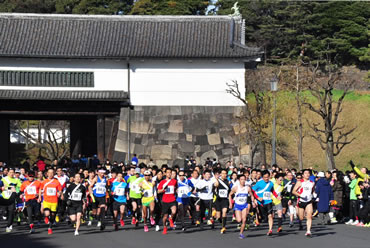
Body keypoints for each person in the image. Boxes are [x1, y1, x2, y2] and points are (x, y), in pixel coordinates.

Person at [252, 170, 280, 236]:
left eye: (267, 177)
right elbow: (252, 191)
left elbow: (272, 191)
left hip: (269, 201)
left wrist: (277, 196)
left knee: (270, 216)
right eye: (265, 177)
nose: (266, 179)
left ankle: (270, 230)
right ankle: (257, 218)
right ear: (262, 177)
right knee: (263, 217)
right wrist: (257, 198)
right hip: (261, 203)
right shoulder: (259, 183)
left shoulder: (271, 183)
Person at [229, 174, 255, 239]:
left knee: (244, 220)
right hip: (237, 205)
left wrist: (253, 202)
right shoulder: (236, 188)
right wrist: (230, 203)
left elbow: (252, 195)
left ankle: (241, 233)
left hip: (244, 205)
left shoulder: (248, 188)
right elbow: (229, 195)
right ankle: (242, 221)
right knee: (239, 220)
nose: (243, 181)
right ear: (239, 180)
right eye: (241, 179)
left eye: (244, 179)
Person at [39, 168, 63, 235]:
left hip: (54, 201)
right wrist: (39, 197)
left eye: (52, 173)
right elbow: (40, 189)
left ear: (54, 174)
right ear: (47, 174)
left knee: (53, 216)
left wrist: (59, 193)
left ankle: (50, 227)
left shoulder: (57, 182)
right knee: (47, 213)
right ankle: (46, 217)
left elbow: (60, 190)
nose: (50, 174)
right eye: (49, 173)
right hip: (46, 200)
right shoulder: (44, 182)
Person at [293, 169, 315, 237]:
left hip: (309, 201)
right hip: (301, 201)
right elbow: (293, 191)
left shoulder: (312, 183)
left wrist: (314, 195)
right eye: (305, 173)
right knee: (301, 217)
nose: (307, 174)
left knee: (310, 215)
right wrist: (300, 195)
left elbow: (312, 191)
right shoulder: (300, 182)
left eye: (308, 173)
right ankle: (302, 221)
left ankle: (308, 231)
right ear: (303, 175)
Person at [1, 168, 22, 232]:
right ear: (7, 173)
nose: (12, 173)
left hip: (12, 199)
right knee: (5, 212)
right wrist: (3, 188)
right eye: (10, 172)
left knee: (11, 212)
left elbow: (20, 187)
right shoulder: (4, 179)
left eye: (13, 172)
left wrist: (19, 193)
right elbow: (1, 187)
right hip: (4, 198)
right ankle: (4, 214)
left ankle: (8, 225)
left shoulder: (17, 180)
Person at [157, 168, 177, 235]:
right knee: (165, 217)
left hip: (172, 199)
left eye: (170, 172)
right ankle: (165, 227)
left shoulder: (174, 181)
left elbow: (176, 188)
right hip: (165, 201)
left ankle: (171, 218)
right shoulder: (162, 182)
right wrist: (163, 189)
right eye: (167, 172)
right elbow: (158, 191)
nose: (169, 174)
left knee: (174, 211)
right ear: (165, 173)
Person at [215, 169, 230, 234]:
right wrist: (216, 179)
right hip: (218, 200)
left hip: (225, 200)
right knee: (218, 216)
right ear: (220, 174)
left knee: (224, 212)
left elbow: (229, 192)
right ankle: (221, 220)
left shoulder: (228, 181)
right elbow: (216, 185)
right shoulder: (218, 181)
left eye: (225, 173)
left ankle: (223, 227)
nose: (224, 175)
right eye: (223, 173)